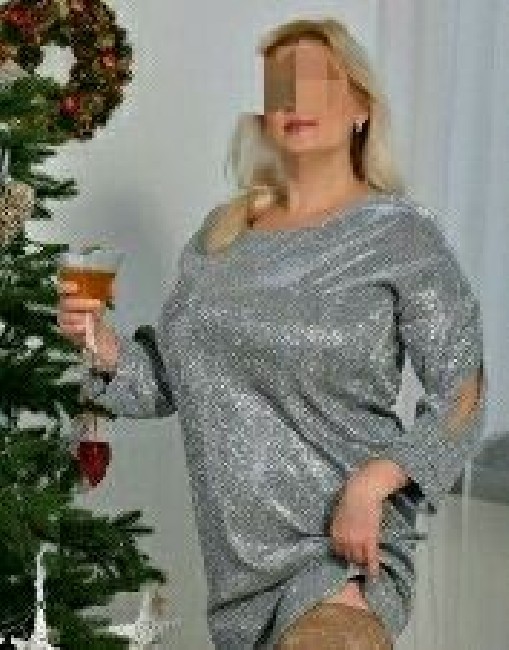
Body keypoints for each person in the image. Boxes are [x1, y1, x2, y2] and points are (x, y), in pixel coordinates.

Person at [56, 16, 486, 650]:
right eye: (281, 85)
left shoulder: (400, 235)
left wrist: (373, 484)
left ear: (360, 108)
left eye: (317, 82)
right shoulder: (221, 238)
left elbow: (464, 392)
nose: (295, 99)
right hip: (237, 571)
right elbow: (168, 382)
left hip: (341, 552)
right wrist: (100, 343)